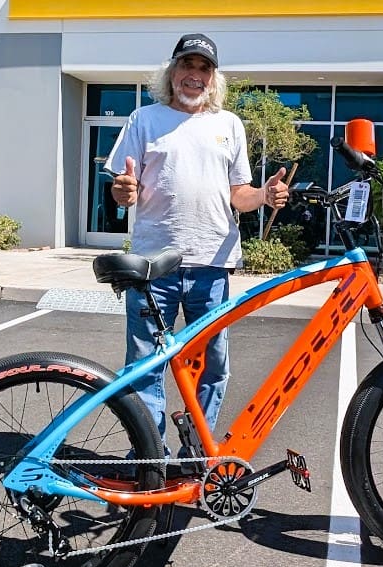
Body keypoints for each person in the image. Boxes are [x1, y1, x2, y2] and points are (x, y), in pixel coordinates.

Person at [106, 33, 290, 459]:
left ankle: (196, 454)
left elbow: (239, 194)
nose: (195, 75)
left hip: (212, 264)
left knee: (212, 366)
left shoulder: (229, 125)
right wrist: (123, 191)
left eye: (204, 68)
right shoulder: (143, 119)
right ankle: (150, 455)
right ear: (172, 73)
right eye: (187, 65)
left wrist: (264, 195)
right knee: (145, 366)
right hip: (153, 266)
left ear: (213, 78)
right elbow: (122, 187)